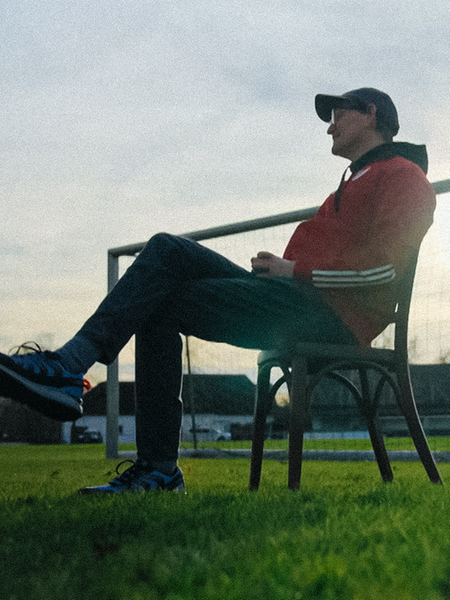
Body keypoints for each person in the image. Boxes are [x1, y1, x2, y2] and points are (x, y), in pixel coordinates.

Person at [0, 88, 436, 494]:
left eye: (338, 114)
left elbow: (385, 271)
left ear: (371, 113)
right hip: (293, 302)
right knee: (166, 250)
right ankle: (73, 371)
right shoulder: (353, 180)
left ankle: (133, 443)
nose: (329, 125)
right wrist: (281, 271)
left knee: (158, 301)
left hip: (327, 319)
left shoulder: (405, 176)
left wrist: (294, 270)